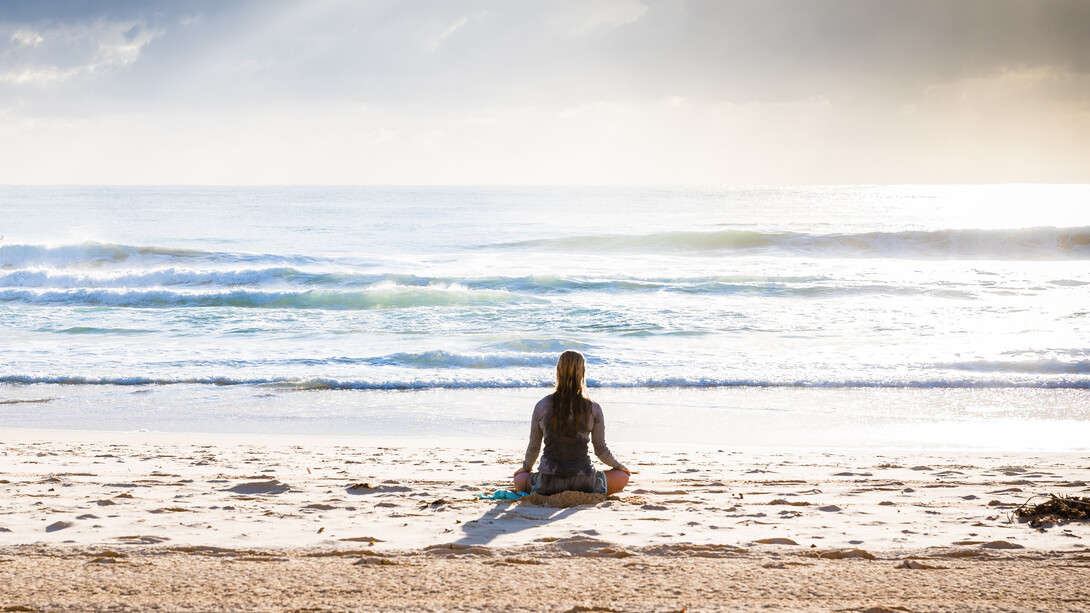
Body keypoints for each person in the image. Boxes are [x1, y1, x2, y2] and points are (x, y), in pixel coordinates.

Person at [513, 350, 632, 495]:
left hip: (548, 482)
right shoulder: (593, 408)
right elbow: (600, 450)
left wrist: (526, 468)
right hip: (585, 481)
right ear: (582, 372)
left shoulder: (542, 405)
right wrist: (619, 466)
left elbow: (534, 447)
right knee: (623, 476)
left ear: (558, 371)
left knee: (519, 478)